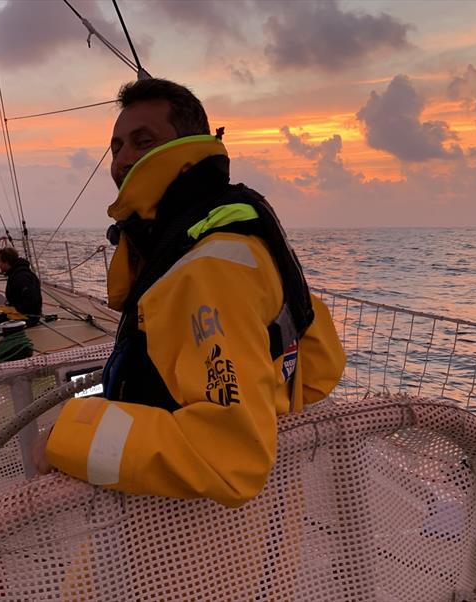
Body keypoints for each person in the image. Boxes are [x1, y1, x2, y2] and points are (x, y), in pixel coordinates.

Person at [34, 78, 346, 507]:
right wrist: (265, 402)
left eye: (143, 142)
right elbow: (323, 363)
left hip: (183, 538)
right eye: (117, 145)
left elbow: (230, 460)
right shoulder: (237, 235)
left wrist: (67, 437)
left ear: (189, 148)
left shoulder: (204, 269)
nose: (123, 159)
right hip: (269, 521)